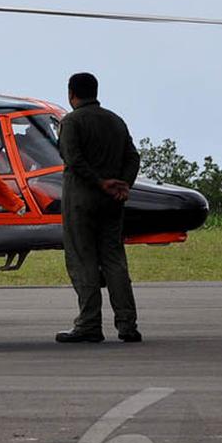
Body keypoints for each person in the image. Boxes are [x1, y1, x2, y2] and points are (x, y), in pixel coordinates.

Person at [56, 72, 142, 344]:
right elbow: (132, 156)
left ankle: (89, 323)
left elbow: (73, 158)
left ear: (72, 94)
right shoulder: (115, 120)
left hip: (81, 200)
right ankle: (127, 323)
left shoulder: (71, 121)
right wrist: (123, 184)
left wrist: (99, 182)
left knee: (83, 260)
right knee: (115, 260)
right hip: (113, 201)